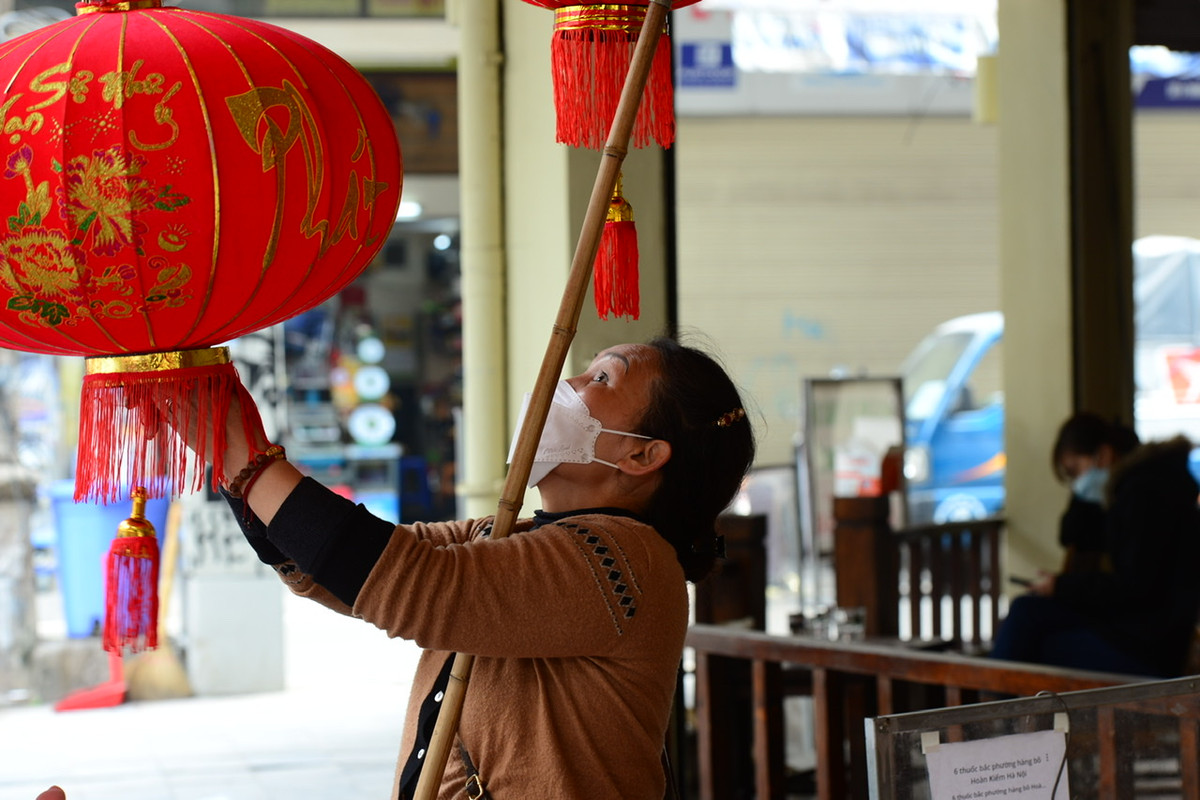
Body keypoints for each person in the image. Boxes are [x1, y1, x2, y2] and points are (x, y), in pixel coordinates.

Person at [35, 336, 752, 800]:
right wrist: (235, 439)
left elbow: (420, 587)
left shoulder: (624, 562)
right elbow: (338, 568)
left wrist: (242, 457)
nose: (569, 382)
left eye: (601, 377)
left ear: (642, 454)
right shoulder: (509, 535)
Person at [990, 411, 1200, 678]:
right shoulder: (1138, 487)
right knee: (1027, 612)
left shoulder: (1144, 496)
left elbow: (1134, 587)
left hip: (1148, 648)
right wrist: (1082, 494)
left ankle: (993, 711)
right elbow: (1073, 533)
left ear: (1103, 455)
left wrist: (1061, 586)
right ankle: (995, 712)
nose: (1077, 484)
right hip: (1143, 632)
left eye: (1075, 471)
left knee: (1032, 639)